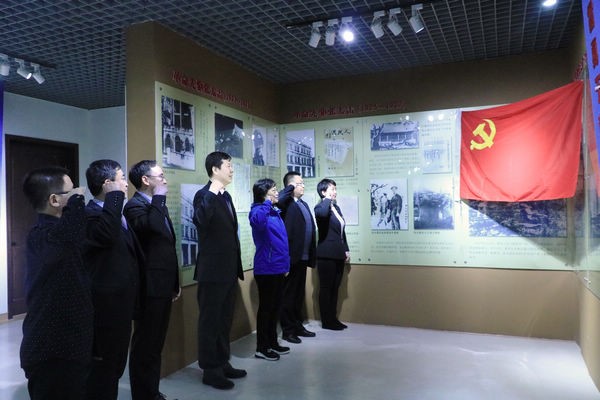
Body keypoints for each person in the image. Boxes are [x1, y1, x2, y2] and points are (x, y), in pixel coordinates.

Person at [20, 167, 91, 400]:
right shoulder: (43, 234)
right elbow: (70, 234)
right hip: (50, 349)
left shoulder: (56, 232)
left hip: (67, 344)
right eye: (71, 191)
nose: (79, 193)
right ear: (54, 200)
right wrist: (77, 201)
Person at [84, 159, 143, 400]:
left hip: (122, 304)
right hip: (104, 308)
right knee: (104, 370)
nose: (126, 185)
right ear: (107, 184)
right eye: (121, 179)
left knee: (116, 365)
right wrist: (114, 197)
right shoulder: (89, 214)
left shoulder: (115, 212)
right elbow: (106, 236)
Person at [124, 160, 181, 400]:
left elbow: (167, 246)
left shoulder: (157, 205)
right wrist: (158, 198)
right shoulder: (134, 206)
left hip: (163, 284)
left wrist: (174, 282)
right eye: (160, 176)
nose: (165, 180)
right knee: (145, 345)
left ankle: (152, 393)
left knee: (155, 344)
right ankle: (143, 395)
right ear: (145, 180)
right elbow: (154, 228)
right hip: (148, 287)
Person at [193, 151, 246, 390]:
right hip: (212, 271)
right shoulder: (204, 195)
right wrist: (212, 191)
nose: (231, 170)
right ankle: (210, 370)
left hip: (228, 270)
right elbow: (201, 221)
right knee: (210, 322)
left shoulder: (226, 196)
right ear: (215, 169)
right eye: (228, 165)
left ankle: (223, 362)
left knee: (224, 321)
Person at [249, 178, 291, 361]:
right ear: (263, 194)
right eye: (273, 190)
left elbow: (282, 242)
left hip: (278, 267)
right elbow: (258, 223)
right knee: (266, 309)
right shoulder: (258, 211)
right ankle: (261, 347)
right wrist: (266, 203)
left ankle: (272, 342)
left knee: (275, 308)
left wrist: (285, 265)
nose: (277, 193)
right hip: (266, 268)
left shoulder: (274, 212)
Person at [277, 171, 317, 344]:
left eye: (302, 183)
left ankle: (297, 325)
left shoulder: (303, 203)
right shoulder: (285, 203)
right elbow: (279, 198)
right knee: (289, 295)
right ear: (290, 186)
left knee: (298, 294)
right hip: (291, 257)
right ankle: (288, 330)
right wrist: (290, 187)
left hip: (303, 256)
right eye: (299, 183)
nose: (303, 186)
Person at [314, 178, 350, 331]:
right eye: (332, 189)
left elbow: (342, 231)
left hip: (338, 253)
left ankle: (333, 319)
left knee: (335, 288)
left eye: (335, 189)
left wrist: (346, 249)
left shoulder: (336, 208)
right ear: (323, 192)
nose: (335, 192)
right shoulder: (320, 207)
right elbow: (322, 215)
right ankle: (326, 321)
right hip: (326, 254)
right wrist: (327, 199)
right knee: (326, 288)